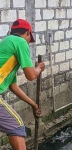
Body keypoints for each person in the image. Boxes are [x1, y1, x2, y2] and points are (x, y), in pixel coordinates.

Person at [0, 19, 45, 150]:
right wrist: (39, 68)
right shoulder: (20, 42)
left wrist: (33, 104)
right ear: (27, 32)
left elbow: (13, 86)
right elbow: (31, 76)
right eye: (29, 40)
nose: (28, 44)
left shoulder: (7, 46)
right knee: (17, 125)